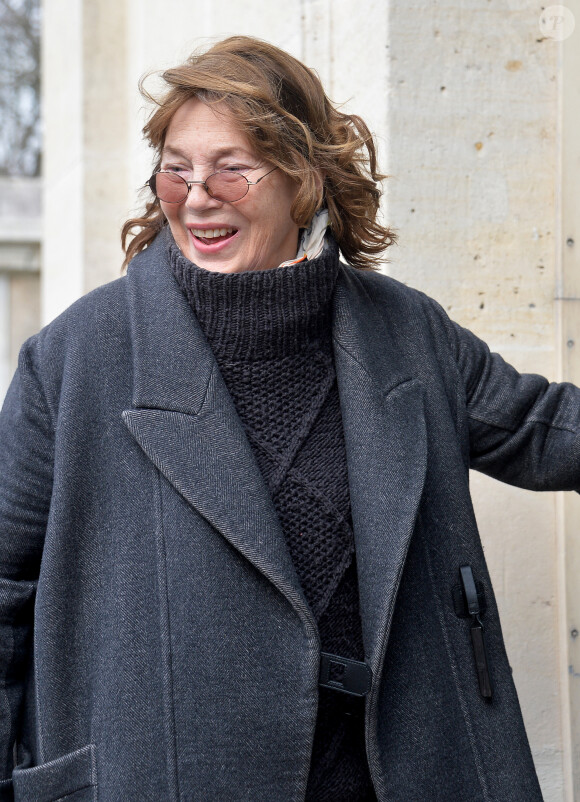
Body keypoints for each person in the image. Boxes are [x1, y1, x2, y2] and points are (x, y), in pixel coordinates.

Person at [0, 34, 575, 802]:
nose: (197, 195)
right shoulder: (76, 358)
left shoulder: (406, 330)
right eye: (176, 168)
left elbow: (545, 431)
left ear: (304, 179)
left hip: (398, 773)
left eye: (231, 167)